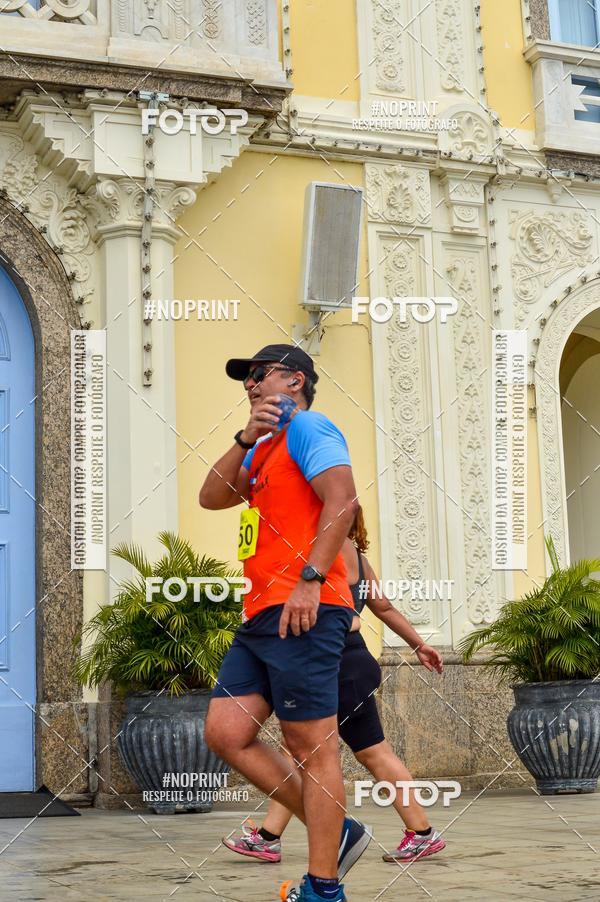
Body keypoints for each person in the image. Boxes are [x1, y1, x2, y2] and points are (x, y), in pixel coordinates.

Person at [200, 344, 371, 902]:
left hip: (307, 606)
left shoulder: (311, 427)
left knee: (310, 746)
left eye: (260, 374)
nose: (249, 384)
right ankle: (336, 830)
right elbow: (211, 498)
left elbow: (342, 500)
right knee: (226, 732)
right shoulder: (264, 447)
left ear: (295, 379)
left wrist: (311, 580)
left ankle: (323, 887)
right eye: (244, 378)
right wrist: (245, 437)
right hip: (260, 614)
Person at [222, 506, 445, 898]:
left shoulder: (321, 550)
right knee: (337, 751)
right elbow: (384, 607)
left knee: (320, 751)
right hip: (353, 661)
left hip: (336, 661)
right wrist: (419, 644)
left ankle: (270, 836)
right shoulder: (356, 555)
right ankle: (421, 831)